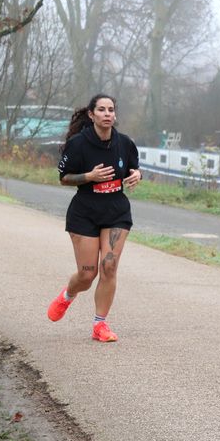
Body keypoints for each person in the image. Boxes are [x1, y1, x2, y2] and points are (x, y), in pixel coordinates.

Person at [47, 94, 141, 342]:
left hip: (116, 211)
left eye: (111, 109)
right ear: (91, 114)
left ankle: (100, 325)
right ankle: (67, 295)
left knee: (109, 267)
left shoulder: (125, 143)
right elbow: (64, 178)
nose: (107, 114)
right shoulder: (78, 144)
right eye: (101, 109)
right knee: (87, 275)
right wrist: (89, 176)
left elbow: (133, 168)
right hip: (85, 212)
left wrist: (137, 175)